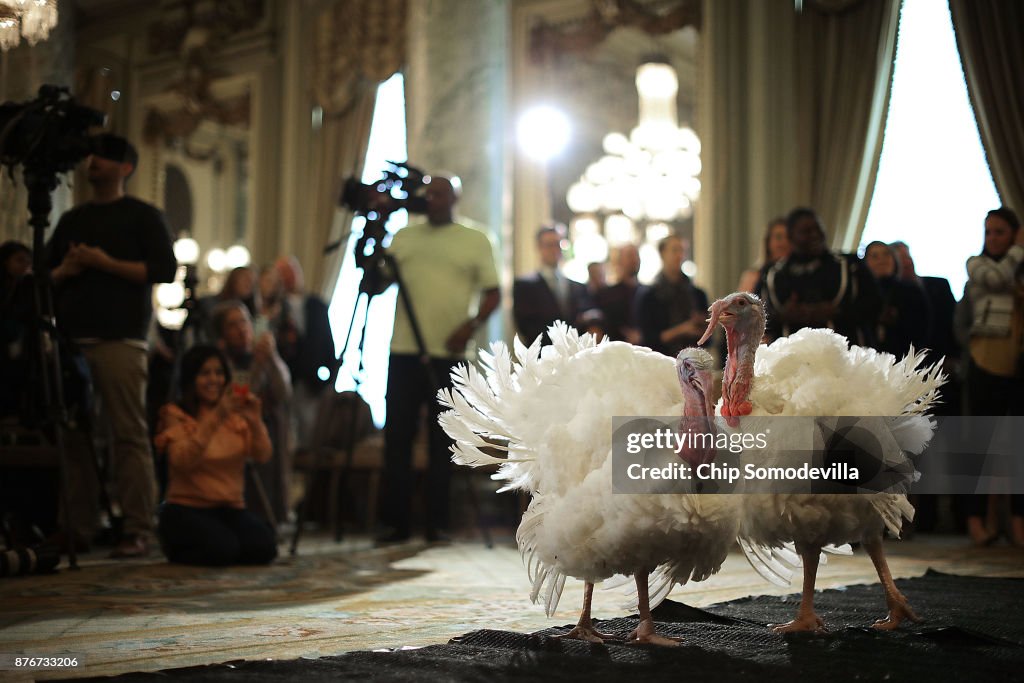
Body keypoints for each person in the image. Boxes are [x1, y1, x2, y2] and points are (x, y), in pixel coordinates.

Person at [46, 134, 177, 558]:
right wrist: (66, 269)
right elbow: (44, 275)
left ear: (126, 168)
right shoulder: (73, 219)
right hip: (71, 342)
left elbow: (165, 270)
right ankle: (77, 526)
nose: (93, 161)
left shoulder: (143, 217)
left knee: (128, 435)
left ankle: (138, 528)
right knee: (74, 437)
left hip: (122, 340)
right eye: (91, 155)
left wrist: (105, 264)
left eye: (103, 156)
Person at [378, 176, 500, 543]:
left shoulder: (476, 239)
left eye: (441, 193)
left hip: (449, 353)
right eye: (429, 193)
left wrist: (471, 325)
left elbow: (493, 292)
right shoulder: (404, 238)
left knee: (442, 440)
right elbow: (375, 285)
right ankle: (394, 523)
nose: (433, 199)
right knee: (397, 437)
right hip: (403, 350)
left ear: (455, 198)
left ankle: (438, 524)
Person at [154, 345, 278, 565]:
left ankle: (225, 544)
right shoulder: (176, 414)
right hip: (186, 508)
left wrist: (255, 420)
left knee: (265, 547)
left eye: (219, 373)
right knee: (222, 550)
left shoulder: (235, 416)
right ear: (191, 378)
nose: (214, 380)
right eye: (205, 373)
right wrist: (216, 415)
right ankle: (176, 547)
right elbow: (182, 461)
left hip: (229, 509)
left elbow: (263, 455)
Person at [954, 207, 1024, 547]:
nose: (993, 238)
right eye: (989, 232)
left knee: (1018, 445)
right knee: (980, 444)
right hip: (984, 362)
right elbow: (999, 279)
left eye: (1000, 232)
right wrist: (1018, 250)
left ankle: (1017, 522)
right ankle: (975, 520)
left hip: (1019, 362)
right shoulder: (976, 266)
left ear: (1012, 233)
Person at [212, 300, 292, 521]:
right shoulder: (221, 362)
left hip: (269, 427)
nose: (241, 329)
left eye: (244, 321)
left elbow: (284, 392)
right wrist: (258, 363)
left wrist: (272, 357)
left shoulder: (265, 354)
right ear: (222, 334)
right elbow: (242, 396)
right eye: (233, 324)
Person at [762, 207, 880, 345]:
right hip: (793, 357)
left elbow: (876, 306)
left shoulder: (850, 266)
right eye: (806, 231)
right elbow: (758, 317)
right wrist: (783, 315)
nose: (815, 235)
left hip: (845, 354)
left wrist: (839, 312)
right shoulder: (773, 273)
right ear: (791, 237)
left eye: (818, 229)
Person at [272, 256, 336, 443]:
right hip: (285, 377)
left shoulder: (316, 305)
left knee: (310, 429)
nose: (289, 278)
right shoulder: (276, 307)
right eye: (283, 273)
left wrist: (328, 376)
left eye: (291, 272)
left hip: (311, 380)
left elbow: (327, 341)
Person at [512, 226, 593, 344]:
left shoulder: (578, 286)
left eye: (558, 244)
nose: (555, 249)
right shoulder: (525, 286)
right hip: (544, 355)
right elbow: (527, 326)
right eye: (549, 245)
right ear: (539, 247)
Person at [637, 235, 709, 357]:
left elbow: (708, 340)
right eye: (675, 250)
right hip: (661, 362)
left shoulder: (697, 294)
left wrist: (702, 326)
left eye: (682, 250)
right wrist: (681, 330)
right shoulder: (649, 295)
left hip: (693, 362)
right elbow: (647, 340)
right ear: (662, 253)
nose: (679, 256)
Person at [863, 240, 929, 358]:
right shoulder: (859, 292)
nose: (881, 260)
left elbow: (923, 328)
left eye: (886, 254)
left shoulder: (911, 291)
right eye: (875, 256)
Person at [595, 243, 643, 344]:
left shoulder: (648, 293)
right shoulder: (605, 295)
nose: (634, 260)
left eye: (636, 255)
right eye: (630, 256)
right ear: (619, 261)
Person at [738, 217, 789, 293]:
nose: (784, 242)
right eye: (779, 237)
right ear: (768, 242)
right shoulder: (753, 277)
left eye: (788, 238)